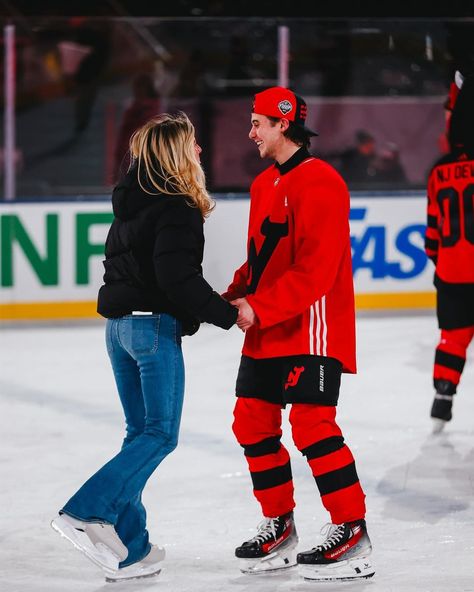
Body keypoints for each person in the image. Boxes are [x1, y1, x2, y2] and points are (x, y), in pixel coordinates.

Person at [51, 112, 238, 583]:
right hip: (151, 331)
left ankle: (131, 551)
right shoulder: (177, 207)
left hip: (119, 331)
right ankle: (87, 510)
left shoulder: (131, 204)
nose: (200, 151)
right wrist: (229, 315)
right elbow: (177, 279)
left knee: (140, 435)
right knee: (160, 434)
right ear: (176, 154)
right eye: (192, 144)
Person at [223, 86, 374, 582]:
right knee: (251, 423)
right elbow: (262, 259)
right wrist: (229, 297)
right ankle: (279, 524)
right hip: (269, 326)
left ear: (283, 123)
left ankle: (351, 529)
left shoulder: (323, 182)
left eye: (258, 123)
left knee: (312, 426)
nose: (251, 133)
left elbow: (317, 270)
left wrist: (258, 308)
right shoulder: (263, 183)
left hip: (311, 327)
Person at [424, 71, 474, 432]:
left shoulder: (438, 171)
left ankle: (443, 395)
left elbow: (431, 236)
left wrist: (445, 265)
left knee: (453, 337)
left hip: (452, 273)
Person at [113, 73, 161, 181]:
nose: (137, 90)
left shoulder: (156, 107)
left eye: (140, 86)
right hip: (129, 149)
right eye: (136, 87)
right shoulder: (131, 106)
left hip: (146, 149)